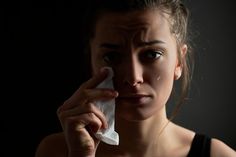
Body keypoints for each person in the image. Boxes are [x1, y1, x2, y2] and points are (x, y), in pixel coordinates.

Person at [35, 0, 236, 156]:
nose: (133, 78)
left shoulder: (218, 155)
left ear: (178, 62)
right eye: (111, 56)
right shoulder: (58, 151)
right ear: (91, 62)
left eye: (152, 54)